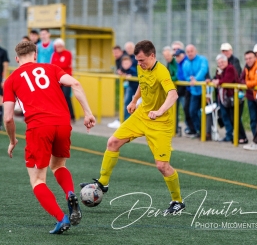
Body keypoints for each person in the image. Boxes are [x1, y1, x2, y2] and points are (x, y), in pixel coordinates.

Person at [80, 40, 185, 214]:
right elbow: (142, 86)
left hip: (160, 123)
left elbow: (173, 95)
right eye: (137, 60)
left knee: (162, 166)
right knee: (112, 142)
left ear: (152, 56)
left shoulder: (162, 71)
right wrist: (135, 100)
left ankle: (177, 201)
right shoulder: (141, 67)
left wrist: (159, 111)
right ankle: (103, 182)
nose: (139, 64)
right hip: (141, 115)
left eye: (142, 60)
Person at [3, 41, 96, 234]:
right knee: (58, 165)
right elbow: (76, 84)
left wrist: (12, 141)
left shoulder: (11, 80)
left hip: (39, 127)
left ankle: (62, 219)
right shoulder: (52, 68)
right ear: (36, 55)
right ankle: (70, 193)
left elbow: (9, 117)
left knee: (38, 180)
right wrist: (87, 113)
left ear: (17, 58)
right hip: (62, 123)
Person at [182, 44, 209, 138]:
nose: (190, 53)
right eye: (188, 52)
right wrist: (191, 79)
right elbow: (186, 77)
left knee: (207, 112)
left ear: (195, 51)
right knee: (192, 111)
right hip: (194, 91)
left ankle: (208, 131)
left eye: (191, 51)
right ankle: (199, 130)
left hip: (205, 91)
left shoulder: (202, 59)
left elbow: (203, 70)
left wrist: (196, 79)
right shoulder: (185, 63)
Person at [212, 54, 239, 142]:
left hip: (231, 97)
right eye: (219, 62)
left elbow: (227, 80)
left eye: (222, 62)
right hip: (222, 98)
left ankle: (238, 136)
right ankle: (229, 135)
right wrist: (215, 80)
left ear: (226, 61)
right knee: (225, 117)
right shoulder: (219, 69)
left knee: (233, 117)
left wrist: (218, 81)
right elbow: (216, 78)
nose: (221, 64)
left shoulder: (230, 68)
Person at [242, 51, 257, 150]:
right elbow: (241, 79)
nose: (248, 60)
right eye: (246, 59)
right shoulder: (247, 67)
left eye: (250, 58)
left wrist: (246, 84)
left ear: (256, 57)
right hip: (256, 95)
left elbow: (256, 81)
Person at [51, 38, 75, 122]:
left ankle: (71, 116)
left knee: (66, 96)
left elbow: (65, 64)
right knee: (58, 97)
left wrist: (57, 66)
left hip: (66, 78)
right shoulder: (54, 54)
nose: (58, 48)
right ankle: (61, 115)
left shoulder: (68, 53)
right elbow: (53, 65)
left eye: (60, 46)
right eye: (57, 46)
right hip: (57, 79)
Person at [174, 48, 195, 136]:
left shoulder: (186, 62)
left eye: (179, 55)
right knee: (187, 110)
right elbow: (179, 75)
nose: (177, 58)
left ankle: (193, 129)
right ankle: (191, 129)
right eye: (176, 56)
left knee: (190, 110)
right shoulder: (180, 63)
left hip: (189, 90)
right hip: (186, 90)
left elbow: (182, 77)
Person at [0, 43, 9, 130]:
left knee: (0, 100)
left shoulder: (3, 52)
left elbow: (5, 65)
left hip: (0, 78)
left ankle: (0, 123)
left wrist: (3, 79)